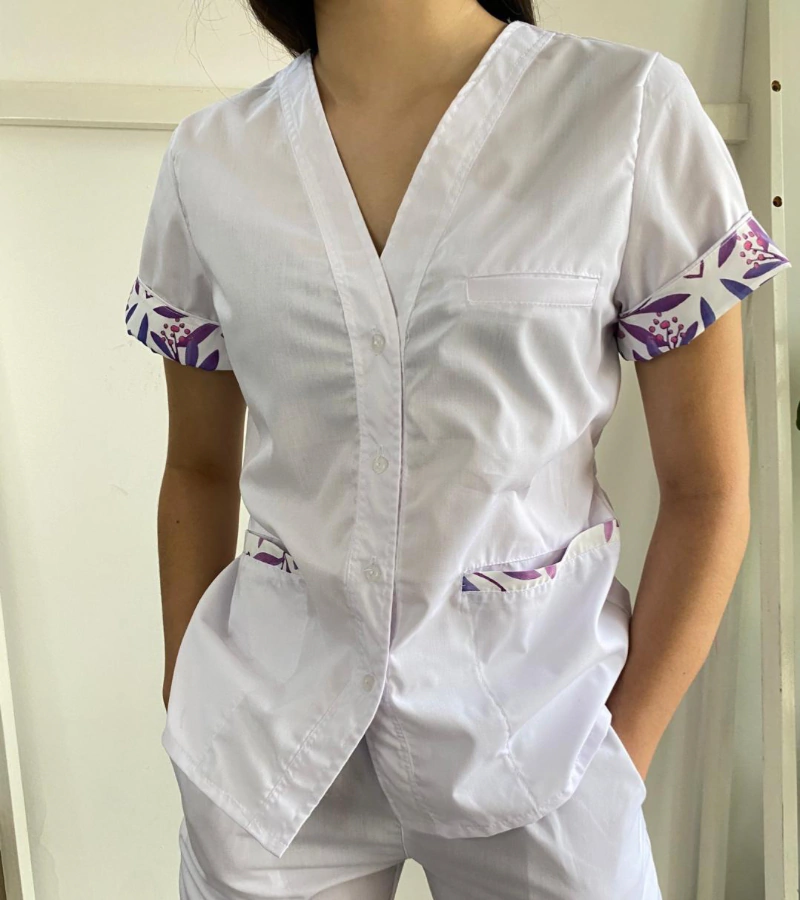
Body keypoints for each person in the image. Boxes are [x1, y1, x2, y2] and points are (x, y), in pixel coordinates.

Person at [123, 1, 792, 897]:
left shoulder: (625, 113)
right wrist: (189, 694)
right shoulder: (211, 160)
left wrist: (619, 763)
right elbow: (198, 469)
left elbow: (709, 489)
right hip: (266, 757)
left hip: (541, 741)